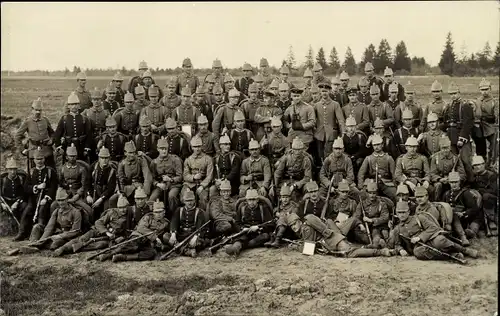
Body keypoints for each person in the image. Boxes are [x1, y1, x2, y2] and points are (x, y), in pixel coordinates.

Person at [392, 200, 478, 262]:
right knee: (418, 253)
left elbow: (433, 228)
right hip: (419, 247)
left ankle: (464, 250)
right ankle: (453, 256)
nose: (402, 215)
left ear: (408, 212)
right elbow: (397, 244)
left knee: (440, 240)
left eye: (404, 212)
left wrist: (420, 237)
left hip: (431, 239)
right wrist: (400, 250)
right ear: (396, 213)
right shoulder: (397, 229)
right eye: (399, 212)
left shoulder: (419, 218)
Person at [104, 200, 170, 263]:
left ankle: (123, 257)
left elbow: (164, 234)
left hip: (148, 243)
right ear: (153, 212)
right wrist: (155, 237)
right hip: (138, 237)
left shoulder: (166, 223)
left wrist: (160, 244)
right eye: (156, 212)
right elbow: (141, 228)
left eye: (160, 212)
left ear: (164, 212)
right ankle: (108, 255)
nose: (158, 214)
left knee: (151, 253)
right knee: (133, 246)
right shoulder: (148, 217)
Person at [67, 194, 133, 256]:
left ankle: (71, 249)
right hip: (100, 231)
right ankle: (65, 248)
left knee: (99, 245)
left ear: (127, 207)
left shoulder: (129, 215)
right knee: (83, 238)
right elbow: (98, 222)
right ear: (117, 207)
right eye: (120, 208)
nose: (123, 210)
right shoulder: (112, 212)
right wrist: (107, 232)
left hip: (110, 238)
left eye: (124, 207)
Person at [15, 148, 58, 241]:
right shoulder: (31, 172)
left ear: (44, 159)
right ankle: (22, 233)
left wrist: (46, 198)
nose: (39, 161)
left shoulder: (50, 171)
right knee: (28, 210)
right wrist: (37, 187)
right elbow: (26, 188)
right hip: (33, 197)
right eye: (37, 159)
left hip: (45, 198)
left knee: (42, 211)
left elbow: (54, 187)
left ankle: (39, 233)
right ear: (34, 160)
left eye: (41, 159)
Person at [225, 189, 275, 256]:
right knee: (242, 238)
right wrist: (242, 228)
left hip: (259, 232)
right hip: (246, 232)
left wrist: (258, 227)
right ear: (246, 200)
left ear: (257, 200)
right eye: (249, 200)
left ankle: (239, 247)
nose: (252, 202)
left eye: (253, 199)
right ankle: (236, 247)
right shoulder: (242, 208)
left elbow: (271, 224)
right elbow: (237, 223)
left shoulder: (263, 208)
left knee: (265, 236)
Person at [442, 82, 475, 182]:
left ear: (459, 92)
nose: (453, 96)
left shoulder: (465, 106)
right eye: (451, 94)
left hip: (461, 137)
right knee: (454, 162)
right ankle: (457, 182)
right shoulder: (448, 106)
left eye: (455, 93)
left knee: (465, 160)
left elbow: (468, 123)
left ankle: (471, 181)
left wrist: (462, 138)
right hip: (451, 137)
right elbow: (446, 122)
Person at [52, 144, 92, 221]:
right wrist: (61, 194)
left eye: (74, 156)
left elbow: (83, 185)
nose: (72, 158)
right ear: (66, 157)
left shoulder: (81, 169)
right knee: (53, 206)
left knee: (87, 209)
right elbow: (60, 183)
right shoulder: (62, 168)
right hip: (65, 193)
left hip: (77, 193)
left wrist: (77, 195)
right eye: (70, 156)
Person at [15, 97, 56, 169]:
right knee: (35, 173)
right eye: (36, 110)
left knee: (50, 171)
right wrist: (22, 149)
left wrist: (51, 140)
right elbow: (17, 136)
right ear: (32, 110)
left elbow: (52, 133)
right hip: (33, 151)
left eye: (40, 110)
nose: (38, 112)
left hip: (47, 151)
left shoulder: (45, 120)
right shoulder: (27, 122)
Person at [443, 171, 483, 243]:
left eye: (456, 182)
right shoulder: (446, 194)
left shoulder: (465, 193)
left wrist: (463, 213)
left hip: (465, 217)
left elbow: (474, 208)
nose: (454, 184)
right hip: (450, 218)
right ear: (449, 183)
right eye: (452, 182)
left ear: (459, 182)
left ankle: (464, 235)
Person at [167, 189, 209, 257]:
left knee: (197, 242)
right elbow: (174, 222)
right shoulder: (179, 210)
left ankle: (181, 249)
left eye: (191, 200)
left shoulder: (199, 212)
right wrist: (173, 234)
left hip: (192, 235)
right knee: (166, 237)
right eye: (187, 201)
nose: (189, 203)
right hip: (181, 234)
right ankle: (187, 251)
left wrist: (195, 237)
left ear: (194, 200)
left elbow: (200, 227)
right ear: (183, 201)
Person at [148, 137, 183, 218]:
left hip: (174, 185)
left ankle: (174, 216)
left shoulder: (175, 160)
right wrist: (158, 184)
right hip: (161, 185)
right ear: (158, 149)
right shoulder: (154, 162)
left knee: (172, 196)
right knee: (152, 199)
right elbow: (152, 178)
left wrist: (170, 179)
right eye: (161, 149)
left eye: (165, 149)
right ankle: (152, 219)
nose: (164, 151)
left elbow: (180, 177)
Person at [53, 92, 93, 161]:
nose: (74, 106)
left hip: (81, 148)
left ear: (79, 105)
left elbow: (89, 134)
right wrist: (59, 147)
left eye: (76, 104)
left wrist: (86, 148)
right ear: (68, 106)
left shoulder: (84, 119)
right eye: (71, 104)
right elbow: (57, 134)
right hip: (67, 147)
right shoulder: (64, 118)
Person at [313, 82, 345, 165]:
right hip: (319, 134)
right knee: (320, 155)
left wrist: (343, 133)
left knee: (330, 154)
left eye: (326, 91)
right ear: (320, 92)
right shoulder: (316, 105)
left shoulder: (335, 104)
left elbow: (341, 120)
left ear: (329, 91)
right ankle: (321, 172)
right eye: (323, 91)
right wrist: (314, 130)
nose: (324, 93)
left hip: (331, 133)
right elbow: (313, 120)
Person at [358, 134, 397, 201]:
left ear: (382, 145)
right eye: (374, 145)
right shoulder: (368, 158)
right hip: (371, 182)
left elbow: (394, 173)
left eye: (378, 144)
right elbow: (361, 173)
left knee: (395, 194)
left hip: (385, 182)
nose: (376, 147)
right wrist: (361, 186)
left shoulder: (389, 158)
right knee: (363, 195)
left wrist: (395, 185)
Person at [429, 135, 466, 201]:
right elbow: (432, 173)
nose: (445, 150)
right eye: (443, 148)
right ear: (440, 148)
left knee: (455, 185)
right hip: (440, 181)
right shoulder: (435, 158)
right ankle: (437, 202)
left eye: (447, 148)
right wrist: (440, 179)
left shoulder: (455, 158)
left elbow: (462, 174)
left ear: (450, 148)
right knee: (438, 186)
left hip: (452, 181)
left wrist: (452, 178)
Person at [274, 137, 312, 202]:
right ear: (292, 149)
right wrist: (276, 185)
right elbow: (278, 173)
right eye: (295, 149)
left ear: (302, 149)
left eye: (299, 149)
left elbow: (307, 177)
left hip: (299, 181)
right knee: (277, 192)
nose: (297, 152)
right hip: (286, 180)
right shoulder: (286, 158)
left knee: (308, 189)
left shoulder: (306, 160)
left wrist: (297, 184)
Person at [115, 141, 152, 205]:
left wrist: (146, 192)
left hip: (140, 187)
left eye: (134, 152)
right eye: (130, 153)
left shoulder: (141, 160)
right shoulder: (122, 163)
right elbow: (120, 179)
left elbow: (147, 176)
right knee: (113, 199)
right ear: (125, 153)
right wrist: (120, 192)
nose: (132, 155)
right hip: (126, 188)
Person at [354, 181, 390, 248]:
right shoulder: (362, 204)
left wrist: (371, 220)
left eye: (374, 193)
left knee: (376, 235)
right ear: (367, 193)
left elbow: (385, 217)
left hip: (376, 227)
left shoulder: (381, 204)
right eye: (370, 193)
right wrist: (360, 224)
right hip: (365, 228)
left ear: (376, 193)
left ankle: (377, 242)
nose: (372, 195)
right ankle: (377, 243)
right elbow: (356, 216)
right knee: (357, 234)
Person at [182, 136, 214, 210]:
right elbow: (185, 175)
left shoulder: (208, 159)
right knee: (184, 197)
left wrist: (202, 186)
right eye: (195, 146)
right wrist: (193, 177)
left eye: (199, 146)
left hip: (203, 183)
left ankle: (201, 216)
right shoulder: (188, 160)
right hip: (190, 183)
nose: (197, 148)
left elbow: (209, 175)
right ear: (192, 147)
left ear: (202, 146)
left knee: (203, 198)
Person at [86, 147, 117, 220]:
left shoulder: (112, 170)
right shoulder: (93, 167)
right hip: (94, 191)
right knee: (87, 208)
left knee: (106, 208)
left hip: (105, 193)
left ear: (109, 158)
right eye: (102, 158)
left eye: (106, 158)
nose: (104, 160)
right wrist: (88, 195)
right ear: (99, 158)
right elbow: (88, 182)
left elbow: (111, 188)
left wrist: (101, 199)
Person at [470, 155, 497, 235]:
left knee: (486, 196)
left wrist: (480, 191)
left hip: (491, 199)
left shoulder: (491, 175)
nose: (477, 167)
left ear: (483, 164)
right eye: (475, 165)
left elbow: (494, 191)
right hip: (479, 199)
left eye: (479, 164)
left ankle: (491, 219)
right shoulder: (474, 176)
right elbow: (468, 186)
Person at [284, 87, 316, 153]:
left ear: (301, 96)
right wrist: (288, 126)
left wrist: (301, 126)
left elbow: (312, 122)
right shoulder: (290, 108)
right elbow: (284, 119)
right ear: (291, 97)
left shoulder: (308, 107)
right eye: (294, 96)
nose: (296, 98)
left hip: (304, 136)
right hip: (292, 135)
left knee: (302, 155)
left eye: (298, 96)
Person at [1, 157, 28, 233]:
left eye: (14, 169)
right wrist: (2, 204)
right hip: (5, 201)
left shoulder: (22, 179)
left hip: (18, 201)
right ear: (7, 170)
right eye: (10, 169)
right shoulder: (2, 179)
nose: (13, 172)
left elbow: (24, 193)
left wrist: (17, 202)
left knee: (25, 206)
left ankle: (23, 227)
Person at [475, 78, 498, 166]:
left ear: (490, 89)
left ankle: (491, 163)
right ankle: (480, 163)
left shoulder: (494, 101)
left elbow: (495, 117)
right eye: (482, 90)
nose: (484, 92)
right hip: (479, 126)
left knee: (493, 146)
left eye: (486, 89)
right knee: (480, 147)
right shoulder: (477, 100)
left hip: (490, 126)